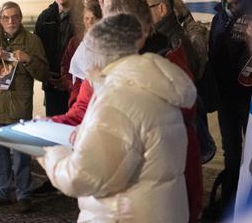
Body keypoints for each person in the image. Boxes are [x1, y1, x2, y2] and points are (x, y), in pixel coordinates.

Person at [41, 13, 196, 222]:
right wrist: (82, 134)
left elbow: (81, 178)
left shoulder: (118, 101)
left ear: (97, 55)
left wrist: (46, 148)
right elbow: (130, 142)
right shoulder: (151, 85)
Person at [0, 1, 49, 212]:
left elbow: (44, 74)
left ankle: (24, 193)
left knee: (21, 153)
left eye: (15, 17)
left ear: (21, 18)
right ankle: (0, 190)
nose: (11, 21)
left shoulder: (31, 41)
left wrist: (29, 60)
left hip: (18, 107)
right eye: (6, 17)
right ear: (0, 18)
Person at [207, 0, 252, 213]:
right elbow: (212, 54)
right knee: (231, 149)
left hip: (248, 95)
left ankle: (251, 200)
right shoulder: (218, 18)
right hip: (225, 95)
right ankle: (230, 201)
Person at [35, 0, 82, 117]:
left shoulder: (84, 15)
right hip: (53, 84)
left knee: (76, 125)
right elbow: (37, 50)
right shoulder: (45, 18)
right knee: (54, 125)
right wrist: (45, 73)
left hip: (77, 83)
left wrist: (69, 78)